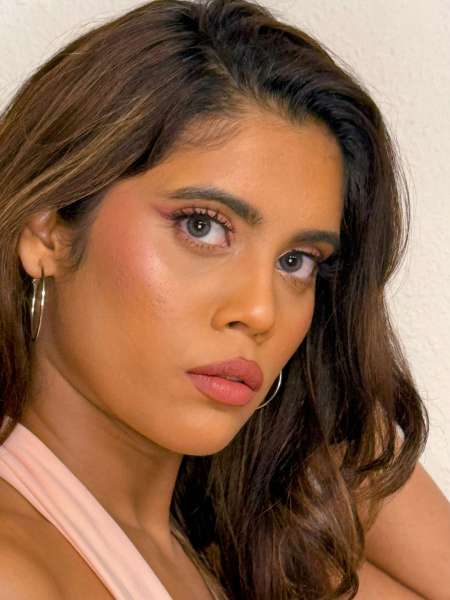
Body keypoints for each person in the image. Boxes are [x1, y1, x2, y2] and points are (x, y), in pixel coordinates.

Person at [0, 0, 448, 598]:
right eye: (203, 226)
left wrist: (325, 427)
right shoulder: (17, 567)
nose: (261, 311)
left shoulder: (239, 555)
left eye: (297, 261)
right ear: (47, 230)